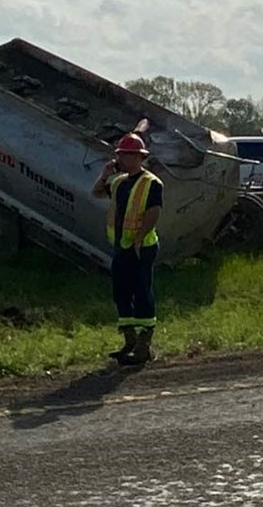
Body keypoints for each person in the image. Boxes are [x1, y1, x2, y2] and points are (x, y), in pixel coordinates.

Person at [91, 133, 164, 366]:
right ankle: (129, 341)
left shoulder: (151, 183)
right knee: (121, 292)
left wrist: (139, 239)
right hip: (121, 247)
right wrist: (105, 175)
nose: (120, 159)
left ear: (138, 157)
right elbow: (97, 192)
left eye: (124, 155)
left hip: (142, 247)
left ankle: (144, 345)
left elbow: (153, 213)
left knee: (142, 292)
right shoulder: (119, 182)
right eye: (119, 155)